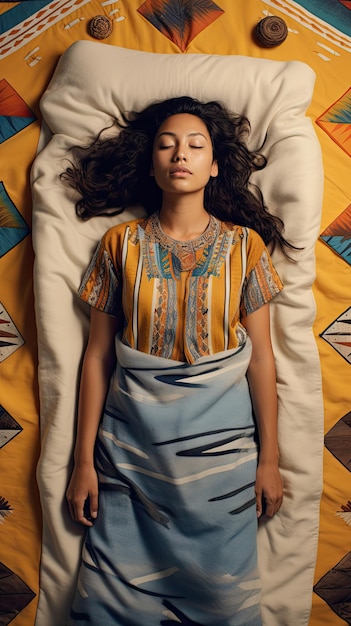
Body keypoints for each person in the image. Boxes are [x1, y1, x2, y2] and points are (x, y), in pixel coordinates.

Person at [63, 96, 287, 626]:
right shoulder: (119, 244)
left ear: (213, 165)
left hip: (222, 460)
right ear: (152, 164)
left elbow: (261, 362)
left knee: (224, 603)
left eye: (194, 145)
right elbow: (96, 359)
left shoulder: (243, 247)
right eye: (166, 144)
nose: (178, 154)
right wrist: (81, 464)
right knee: (114, 601)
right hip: (130, 455)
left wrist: (270, 460)